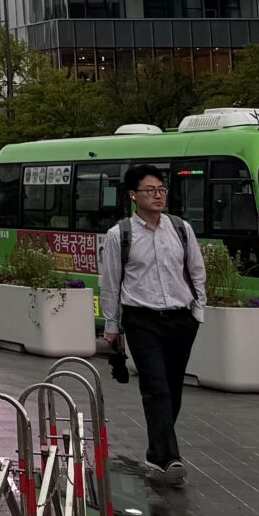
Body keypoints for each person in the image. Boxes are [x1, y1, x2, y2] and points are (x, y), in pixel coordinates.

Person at [96, 163, 207, 484]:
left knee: (172, 389)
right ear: (133, 196)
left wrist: (198, 312)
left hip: (181, 319)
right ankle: (169, 459)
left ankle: (157, 454)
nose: (158, 196)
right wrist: (112, 326)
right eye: (150, 191)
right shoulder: (120, 235)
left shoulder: (181, 229)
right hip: (142, 319)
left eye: (161, 190)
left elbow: (197, 271)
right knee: (155, 387)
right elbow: (111, 283)